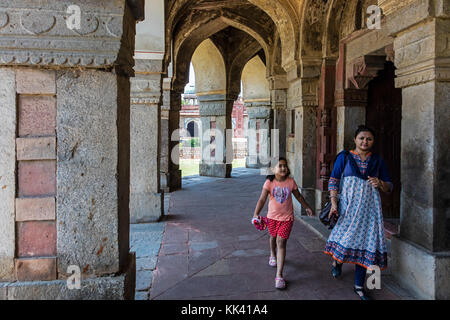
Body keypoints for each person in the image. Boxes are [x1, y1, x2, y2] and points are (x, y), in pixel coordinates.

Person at [324, 125, 393, 300]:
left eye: (369, 139)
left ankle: (359, 287)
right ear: (355, 139)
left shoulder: (377, 161)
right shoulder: (344, 157)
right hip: (348, 209)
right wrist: (333, 204)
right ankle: (337, 262)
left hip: (370, 212)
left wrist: (381, 183)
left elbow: (389, 186)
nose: (365, 142)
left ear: (373, 142)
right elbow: (333, 180)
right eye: (361, 138)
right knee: (344, 241)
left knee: (365, 246)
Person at [253, 157, 314, 289]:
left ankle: (279, 275)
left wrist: (307, 207)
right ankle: (272, 254)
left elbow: (298, 196)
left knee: (281, 242)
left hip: (287, 218)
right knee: (273, 237)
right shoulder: (269, 183)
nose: (283, 168)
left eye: (285, 166)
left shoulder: (291, 182)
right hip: (272, 218)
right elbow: (262, 199)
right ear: (273, 169)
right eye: (280, 166)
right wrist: (256, 213)